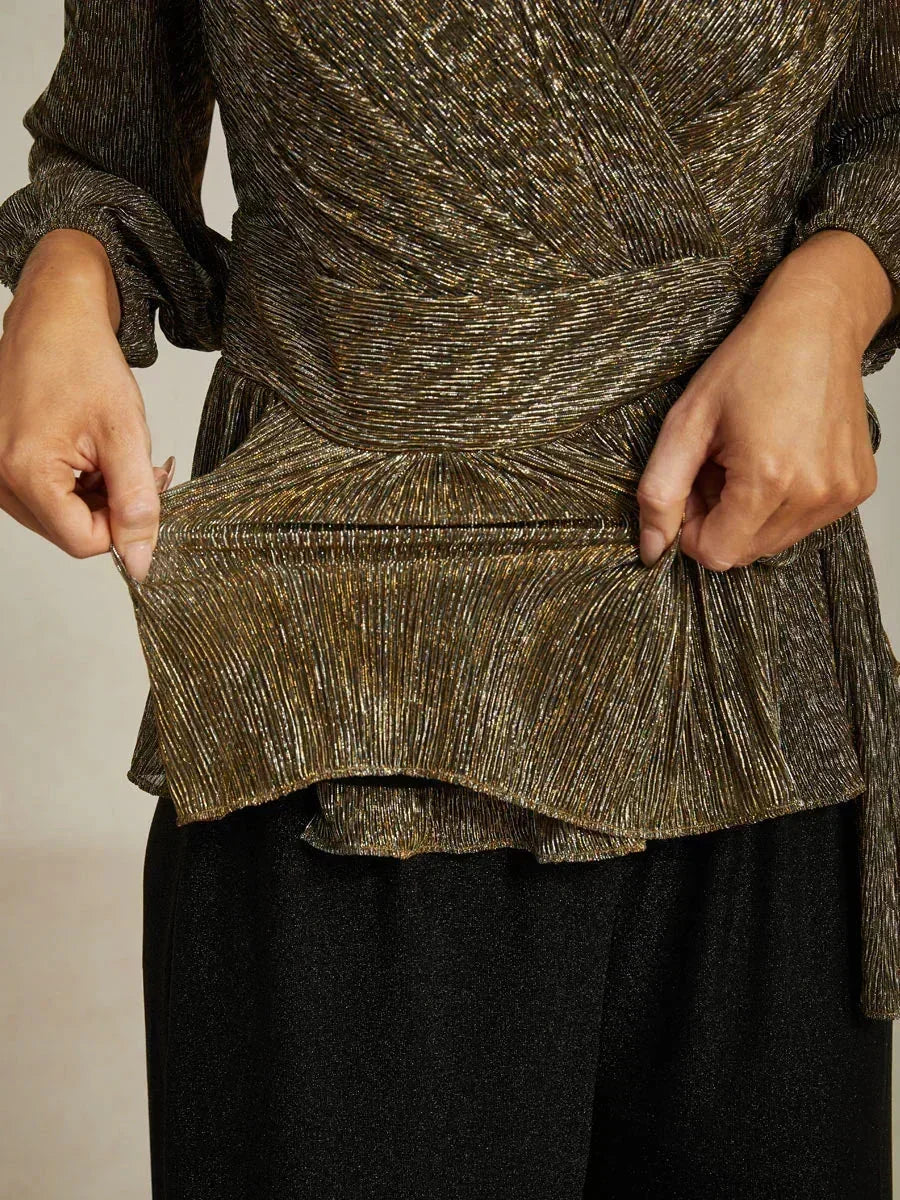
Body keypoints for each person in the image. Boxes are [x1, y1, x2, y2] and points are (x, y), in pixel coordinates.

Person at [0, 1, 898, 1196]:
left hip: (756, 692)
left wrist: (839, 288)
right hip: (341, 714)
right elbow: (103, 155)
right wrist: (60, 286)